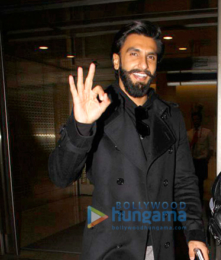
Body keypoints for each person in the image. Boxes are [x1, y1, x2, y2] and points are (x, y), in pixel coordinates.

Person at [48, 21, 208, 260]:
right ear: (116, 60)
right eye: (134, 54)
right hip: (110, 245)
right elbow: (60, 176)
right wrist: (80, 126)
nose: (143, 65)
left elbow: (183, 182)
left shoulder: (170, 115)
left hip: (159, 243)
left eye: (151, 57)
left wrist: (195, 231)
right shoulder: (96, 108)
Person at [187, 112, 213, 203]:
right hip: (192, 161)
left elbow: (211, 148)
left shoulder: (207, 132)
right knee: (192, 181)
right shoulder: (189, 133)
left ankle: (200, 201)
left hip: (202, 161)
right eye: (194, 119)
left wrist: (206, 160)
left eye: (197, 119)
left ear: (200, 120)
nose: (196, 121)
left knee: (200, 182)